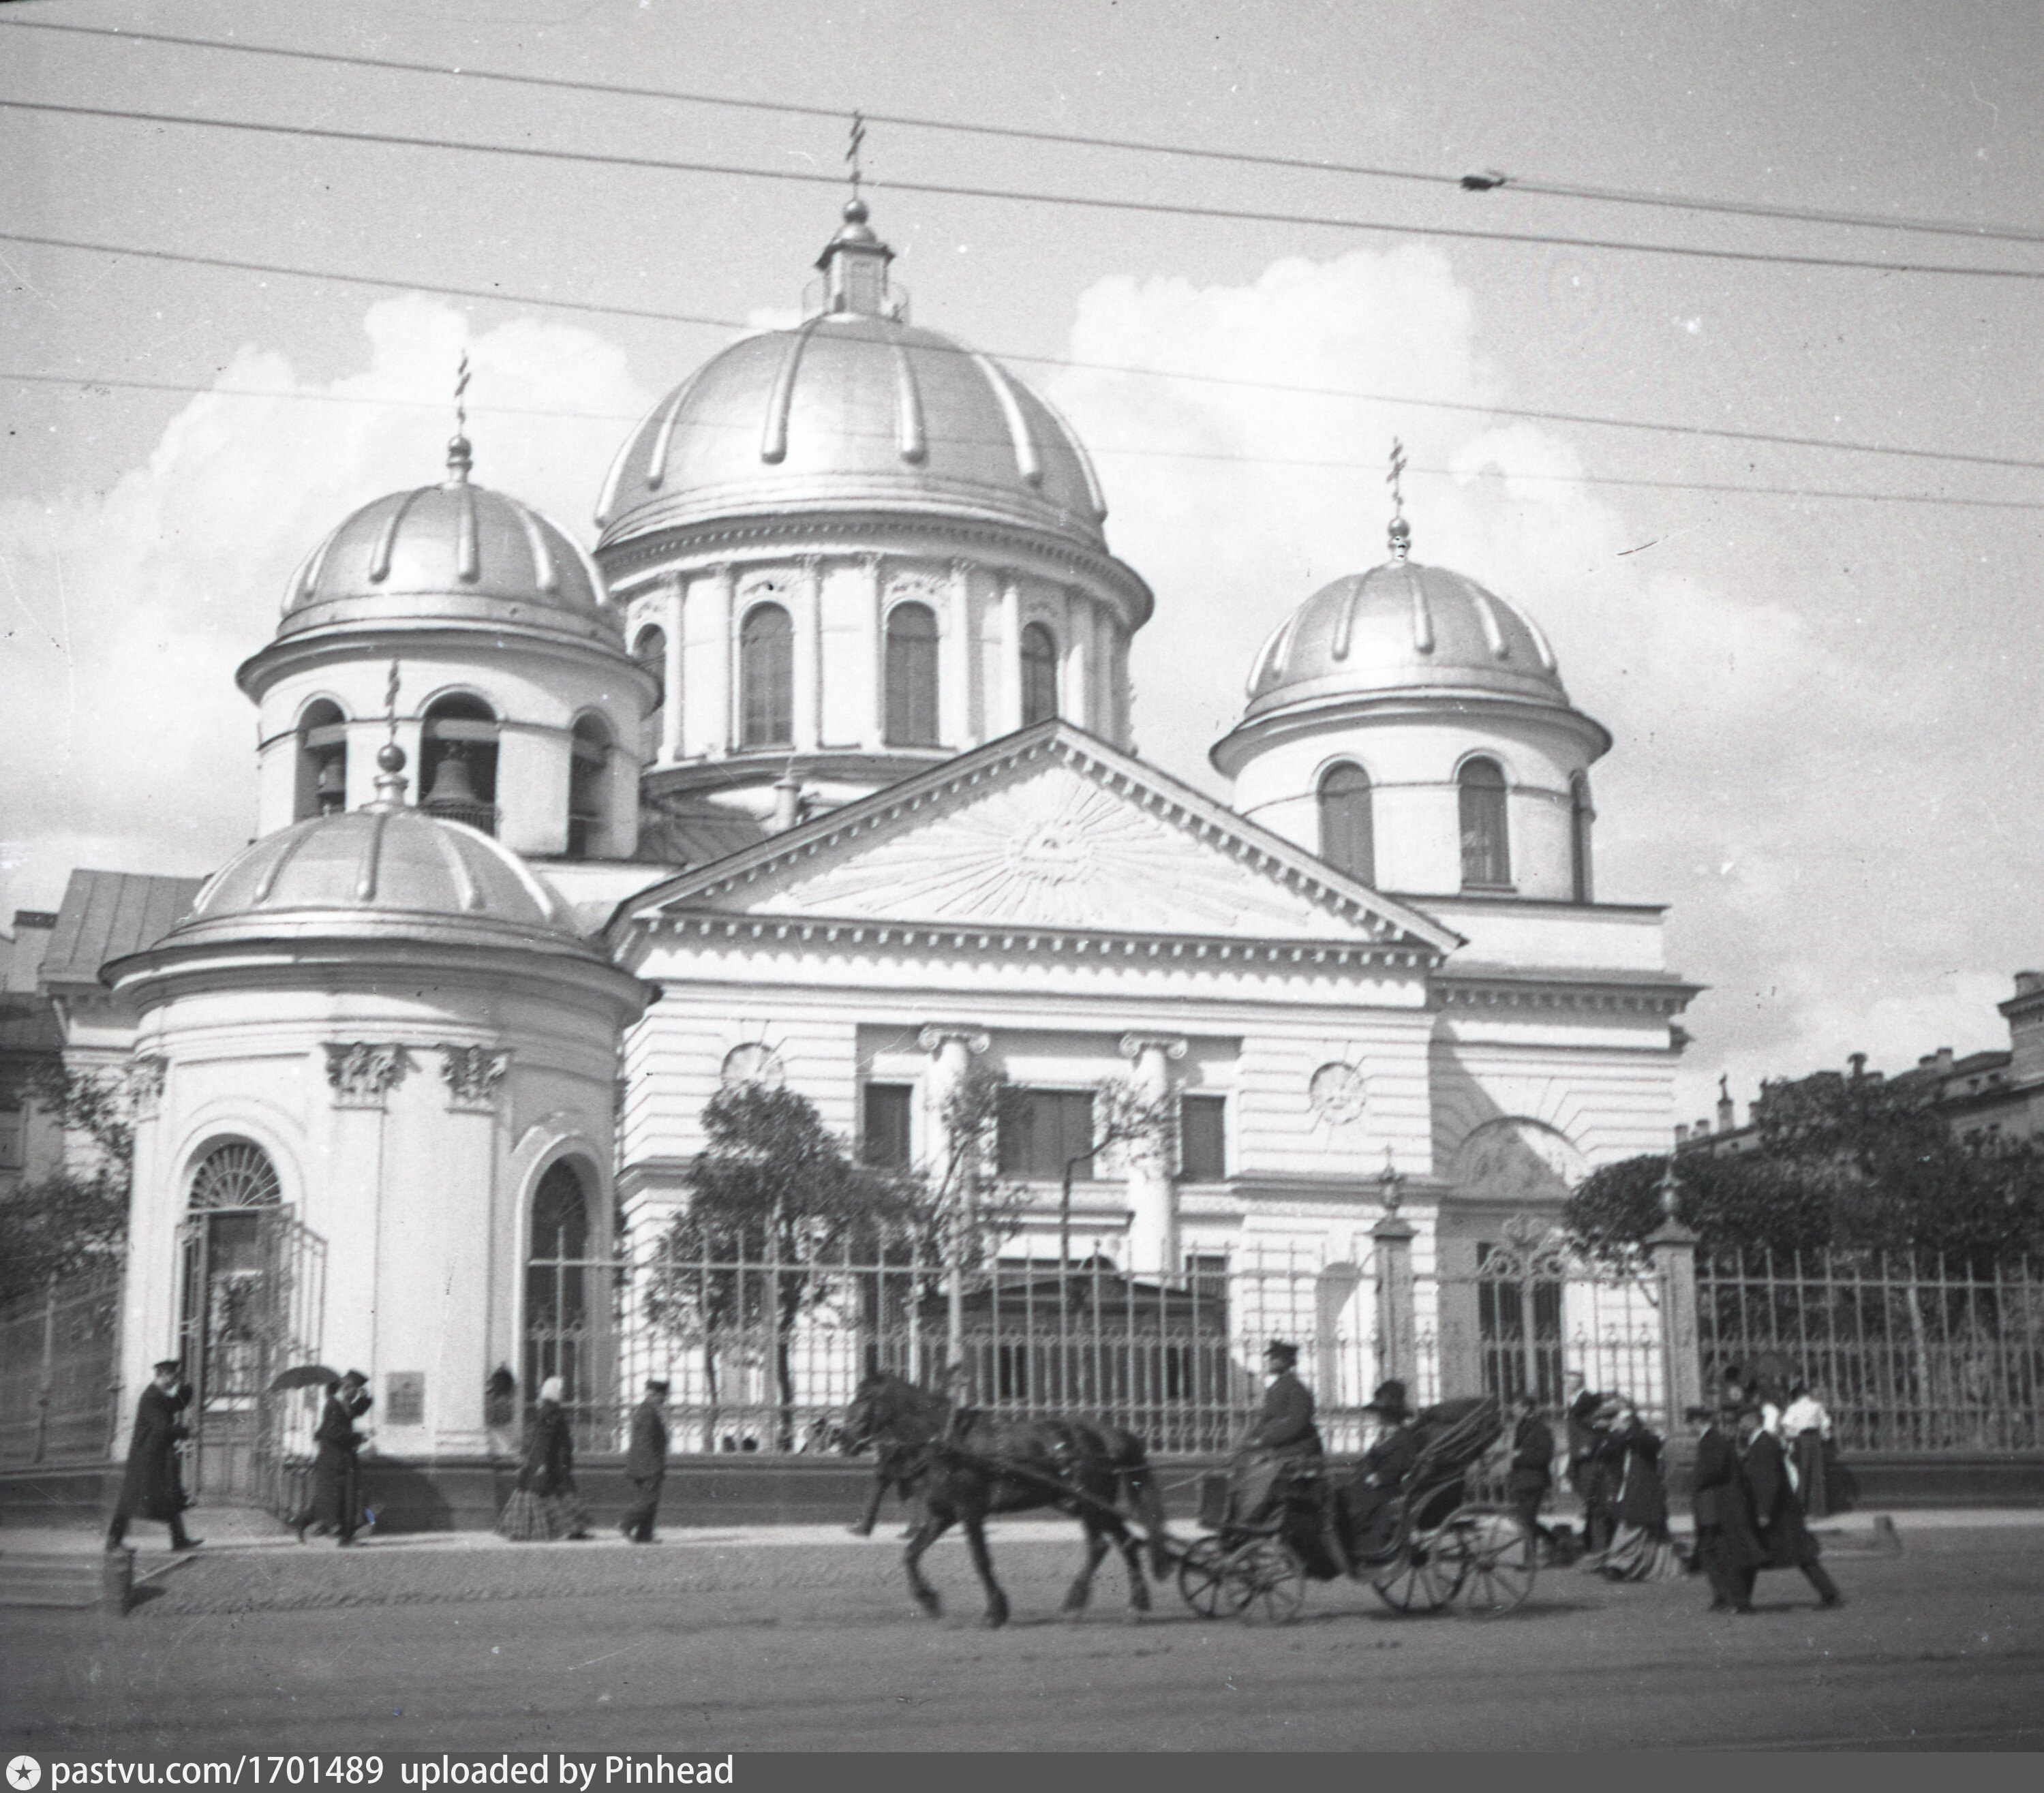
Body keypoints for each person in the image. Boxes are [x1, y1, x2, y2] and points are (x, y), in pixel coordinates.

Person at [1739, 1404, 1844, 1609]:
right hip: (1779, 1513)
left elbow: (1769, 1481)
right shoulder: (1760, 1443)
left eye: (1744, 1420)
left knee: (1762, 1554)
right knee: (1783, 1555)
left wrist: (1763, 1512)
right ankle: (1740, 1600)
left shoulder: (1763, 1444)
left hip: (1778, 1515)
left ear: (1756, 1422)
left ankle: (1740, 1600)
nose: (1740, 1425)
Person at [1581, 1400, 1683, 1580]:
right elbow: (1604, 1452)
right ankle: (1633, 1566)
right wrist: (1618, 1434)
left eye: (1620, 1420)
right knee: (1645, 1532)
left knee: (1634, 1529)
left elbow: (1648, 1444)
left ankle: (1620, 1565)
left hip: (1642, 1491)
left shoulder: (1643, 1436)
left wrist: (1627, 1432)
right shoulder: (1616, 1438)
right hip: (1627, 1491)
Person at [106, 1360, 200, 1552]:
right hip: (146, 1458)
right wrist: (186, 1431)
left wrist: (186, 1385)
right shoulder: (151, 1398)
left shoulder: (159, 1396)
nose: (175, 1381)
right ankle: (113, 1541)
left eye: (177, 1377)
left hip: (154, 1455)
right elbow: (162, 1429)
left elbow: (177, 1403)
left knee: (169, 1495)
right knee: (130, 1500)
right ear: (163, 1375)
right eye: (173, 1377)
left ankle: (179, 1540)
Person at [1230, 1339, 1323, 1527]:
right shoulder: (1277, 1387)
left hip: (1299, 1449)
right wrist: (1247, 1440)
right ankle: (1238, 1515)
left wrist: (1263, 1440)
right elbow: (1266, 1418)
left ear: (1287, 1362)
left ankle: (1253, 1518)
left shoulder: (1297, 1389)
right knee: (1240, 1463)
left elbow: (1295, 1425)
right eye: (1270, 1358)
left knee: (1260, 1472)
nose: (1270, 1362)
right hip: (1282, 1447)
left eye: (1275, 1358)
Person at [499, 1375, 593, 1542]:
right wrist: (541, 1464)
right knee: (555, 1495)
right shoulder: (551, 1412)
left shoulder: (551, 1410)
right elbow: (544, 1441)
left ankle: (574, 1529)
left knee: (561, 1495)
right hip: (551, 1462)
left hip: (554, 1461)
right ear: (554, 1391)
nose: (564, 1392)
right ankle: (568, 1529)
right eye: (561, 1389)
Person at [1689, 1399, 1762, 1614]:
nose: (1690, 1428)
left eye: (1691, 1423)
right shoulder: (1713, 1440)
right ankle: (1724, 1596)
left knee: (1721, 1554)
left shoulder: (1713, 1441)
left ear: (1697, 1422)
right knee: (1711, 1553)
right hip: (1714, 1507)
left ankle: (1735, 1599)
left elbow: (1714, 1470)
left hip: (1719, 1507)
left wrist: (1695, 1480)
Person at [1337, 1379, 1420, 1557]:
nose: (1380, 1419)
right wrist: (1368, 1472)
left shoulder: (1405, 1438)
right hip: (1375, 1482)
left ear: (1394, 1417)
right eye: (1380, 1415)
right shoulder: (1384, 1436)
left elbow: (1402, 1465)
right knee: (1341, 1493)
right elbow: (1369, 1458)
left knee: (1357, 1500)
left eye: (1384, 1415)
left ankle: (1365, 1543)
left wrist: (1379, 1477)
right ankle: (1346, 1540)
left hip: (1391, 1487)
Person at [295, 1370, 371, 1546]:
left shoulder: (342, 1404)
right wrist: (359, 1437)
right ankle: (313, 1525)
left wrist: (365, 1398)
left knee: (339, 1498)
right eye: (356, 1390)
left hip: (341, 1459)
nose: (356, 1394)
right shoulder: (333, 1405)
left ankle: (341, 1534)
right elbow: (332, 1432)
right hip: (333, 1460)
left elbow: (355, 1412)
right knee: (336, 1498)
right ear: (347, 1387)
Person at [620, 1379, 669, 1544]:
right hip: (648, 1465)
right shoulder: (649, 1413)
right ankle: (626, 1524)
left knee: (650, 1500)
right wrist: (655, 1466)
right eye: (663, 1395)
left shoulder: (645, 1410)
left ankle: (644, 1535)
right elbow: (646, 1442)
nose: (665, 1399)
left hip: (642, 1464)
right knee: (648, 1500)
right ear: (655, 1395)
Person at [1505, 1392, 1555, 1550]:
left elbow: (1544, 1456)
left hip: (1534, 1479)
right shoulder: (1522, 1426)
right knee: (1524, 1519)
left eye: (1517, 1408)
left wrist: (1520, 1456)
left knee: (1527, 1520)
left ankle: (1532, 1558)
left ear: (1527, 1408)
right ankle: (1554, 1542)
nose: (1514, 1411)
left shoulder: (1540, 1429)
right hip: (1522, 1479)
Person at [1780, 1382, 1833, 1519]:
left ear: (1797, 1395)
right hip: (1815, 1438)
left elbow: (1787, 1424)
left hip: (1802, 1439)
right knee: (1817, 1472)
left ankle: (1802, 1508)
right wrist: (1823, 1434)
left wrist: (1791, 1435)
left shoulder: (1794, 1407)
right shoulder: (1817, 1406)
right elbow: (1826, 1423)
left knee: (1803, 1472)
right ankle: (1818, 1509)